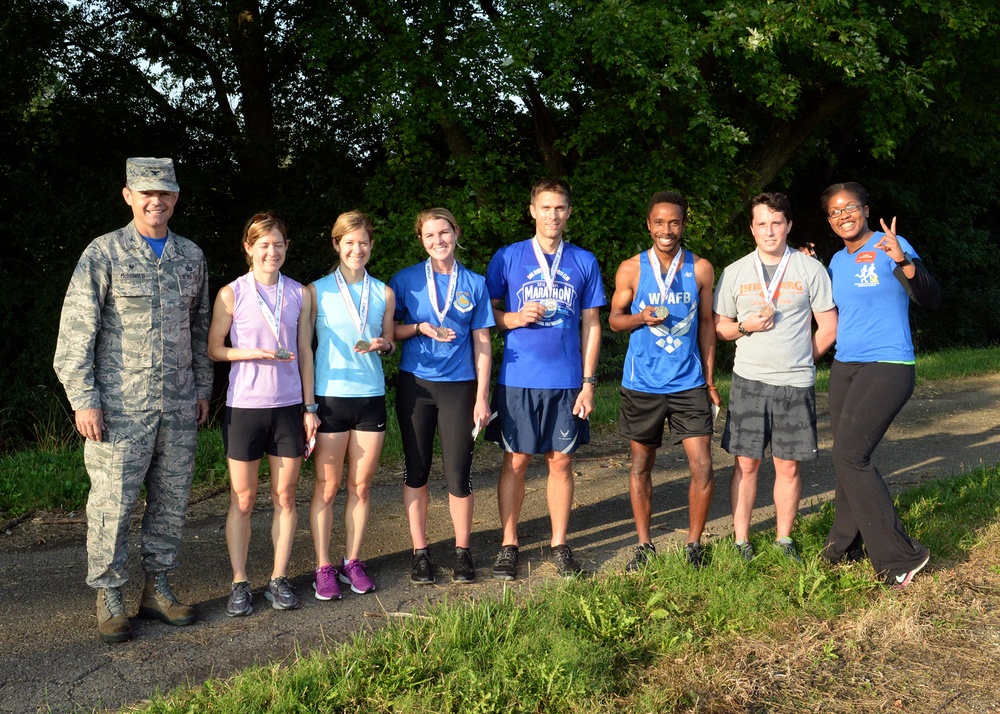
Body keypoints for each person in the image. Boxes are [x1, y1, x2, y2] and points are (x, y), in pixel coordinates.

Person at [53, 157, 212, 643]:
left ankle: (158, 589)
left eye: (164, 193)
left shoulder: (190, 256)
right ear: (129, 195)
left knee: (170, 501)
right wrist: (84, 398)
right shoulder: (104, 253)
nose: (155, 201)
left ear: (176, 198)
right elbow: (76, 332)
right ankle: (110, 594)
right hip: (120, 408)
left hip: (179, 404)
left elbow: (201, 327)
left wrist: (203, 389)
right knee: (112, 505)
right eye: (146, 192)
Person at [820, 181, 940, 588]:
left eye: (849, 208)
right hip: (845, 366)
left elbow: (930, 297)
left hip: (888, 363)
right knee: (845, 458)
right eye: (834, 212)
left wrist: (903, 260)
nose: (842, 216)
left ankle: (901, 557)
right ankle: (844, 547)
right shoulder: (836, 261)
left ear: (866, 209)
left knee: (851, 456)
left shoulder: (893, 243)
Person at [485, 177, 605, 579]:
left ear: (569, 213)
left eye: (560, 208)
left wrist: (589, 382)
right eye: (546, 207)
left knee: (561, 461)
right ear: (532, 210)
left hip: (567, 379)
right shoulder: (508, 257)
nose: (553, 215)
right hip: (518, 377)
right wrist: (513, 319)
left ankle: (559, 544)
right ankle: (508, 543)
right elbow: (486, 315)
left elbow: (592, 325)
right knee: (516, 460)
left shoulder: (584, 261)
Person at [713, 193, 838, 562]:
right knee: (745, 463)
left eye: (777, 223)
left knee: (788, 464)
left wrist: (802, 359)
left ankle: (784, 540)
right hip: (748, 381)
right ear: (752, 228)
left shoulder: (810, 269)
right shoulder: (734, 272)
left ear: (789, 226)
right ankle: (741, 541)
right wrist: (744, 326)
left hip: (795, 383)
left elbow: (828, 328)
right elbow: (721, 328)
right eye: (762, 224)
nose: (769, 231)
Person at [208, 213, 317, 616]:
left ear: (286, 248)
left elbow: (306, 352)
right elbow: (214, 348)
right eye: (264, 245)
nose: (272, 252)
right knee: (244, 498)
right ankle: (239, 582)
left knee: (285, 496)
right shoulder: (231, 294)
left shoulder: (299, 294)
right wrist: (251, 353)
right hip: (245, 409)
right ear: (248, 247)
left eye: (279, 245)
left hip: (289, 409)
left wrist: (310, 408)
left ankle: (278, 578)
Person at [608, 191, 720, 570]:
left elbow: (706, 324)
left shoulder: (701, 268)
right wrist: (641, 317)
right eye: (659, 222)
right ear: (649, 225)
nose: (666, 230)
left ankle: (693, 545)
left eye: (674, 222)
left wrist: (709, 378)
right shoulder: (631, 268)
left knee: (702, 464)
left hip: (688, 383)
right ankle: (644, 545)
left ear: (684, 224)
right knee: (641, 464)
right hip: (643, 383)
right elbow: (614, 320)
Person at [389, 208, 494, 584]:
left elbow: (482, 343)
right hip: (416, 387)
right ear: (421, 240)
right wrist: (419, 328)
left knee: (458, 474)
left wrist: (482, 397)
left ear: (456, 232)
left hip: (459, 388)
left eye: (444, 233)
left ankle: (463, 553)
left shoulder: (475, 283)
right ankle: (420, 553)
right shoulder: (405, 280)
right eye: (430, 235)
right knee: (416, 471)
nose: (438, 241)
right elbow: (390, 332)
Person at [304, 211, 395, 598]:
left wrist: (384, 344)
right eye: (349, 242)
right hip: (329, 399)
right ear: (336, 244)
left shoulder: (384, 292)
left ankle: (352, 561)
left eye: (363, 242)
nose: (356, 249)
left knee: (361, 486)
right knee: (327, 487)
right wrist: (308, 406)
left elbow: (390, 339)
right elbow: (304, 351)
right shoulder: (316, 291)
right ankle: (323, 567)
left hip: (370, 397)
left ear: (371, 246)